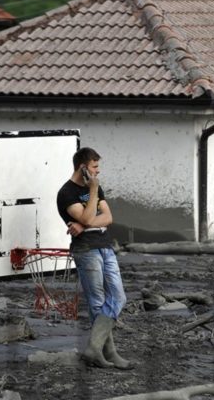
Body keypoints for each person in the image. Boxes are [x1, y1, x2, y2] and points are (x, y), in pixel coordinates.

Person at [56, 147, 132, 369]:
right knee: (97, 302)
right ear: (83, 168)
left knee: (118, 297)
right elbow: (90, 216)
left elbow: (108, 217)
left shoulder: (95, 187)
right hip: (86, 250)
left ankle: (93, 349)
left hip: (105, 246)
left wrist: (84, 223)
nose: (98, 172)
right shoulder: (67, 193)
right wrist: (93, 193)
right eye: (94, 167)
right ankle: (109, 353)